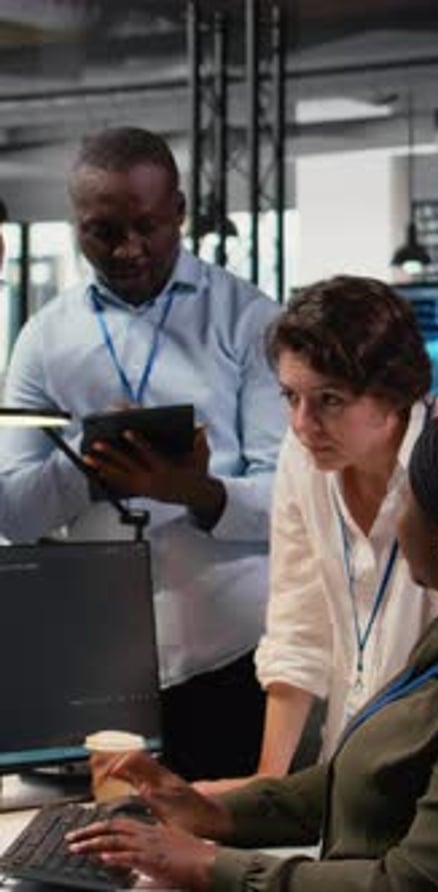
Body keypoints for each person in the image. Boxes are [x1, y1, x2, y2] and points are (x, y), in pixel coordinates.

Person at [67, 397, 438, 891]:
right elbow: (367, 779)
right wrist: (213, 813)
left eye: (407, 498)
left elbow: (414, 885)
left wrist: (211, 866)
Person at [0, 126, 286, 780]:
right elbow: (14, 513)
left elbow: (289, 500)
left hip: (229, 660)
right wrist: (86, 460)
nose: (129, 248)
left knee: (218, 854)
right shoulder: (44, 339)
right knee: (89, 853)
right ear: (75, 224)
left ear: (180, 212)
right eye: (103, 231)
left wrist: (197, 492)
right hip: (90, 664)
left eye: (148, 226)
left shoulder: (249, 321)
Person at [198, 275, 438, 794]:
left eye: (329, 400)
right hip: (348, 771)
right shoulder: (303, 460)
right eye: (290, 396)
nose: (301, 424)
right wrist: (267, 784)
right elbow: (297, 624)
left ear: (392, 390)